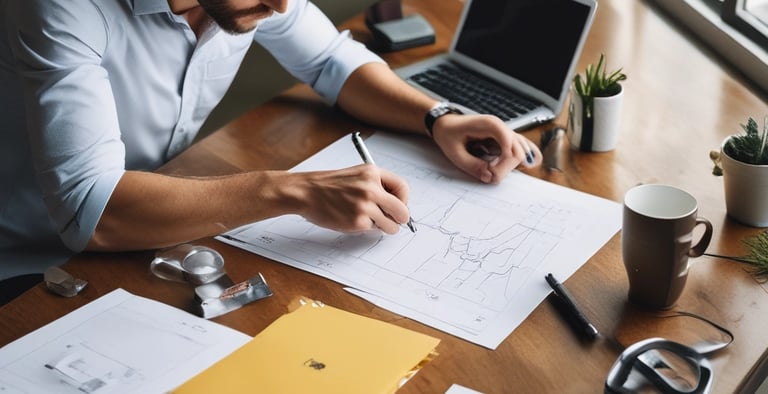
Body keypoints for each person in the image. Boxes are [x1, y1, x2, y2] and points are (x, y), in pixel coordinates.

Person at [0, 0, 541, 290]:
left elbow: (331, 60)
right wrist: (292, 191)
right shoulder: (62, 8)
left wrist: (437, 116)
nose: (280, 5)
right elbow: (91, 212)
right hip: (31, 267)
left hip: (157, 238)